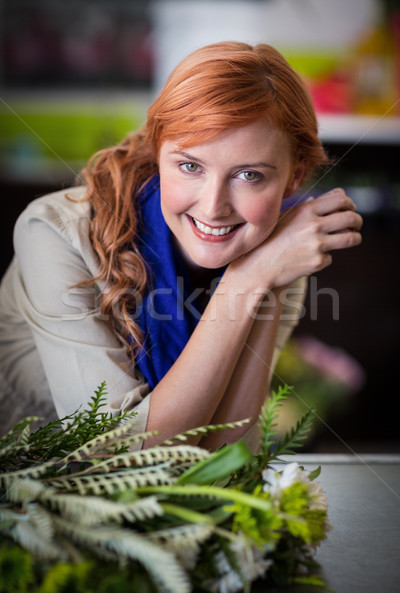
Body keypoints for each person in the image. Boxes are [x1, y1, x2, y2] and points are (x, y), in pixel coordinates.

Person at [0, 42, 362, 449]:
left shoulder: (274, 250)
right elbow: (118, 456)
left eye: (249, 175)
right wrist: (250, 278)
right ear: (158, 154)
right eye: (190, 166)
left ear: (293, 178)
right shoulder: (53, 234)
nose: (213, 207)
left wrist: (262, 280)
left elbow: (225, 453)